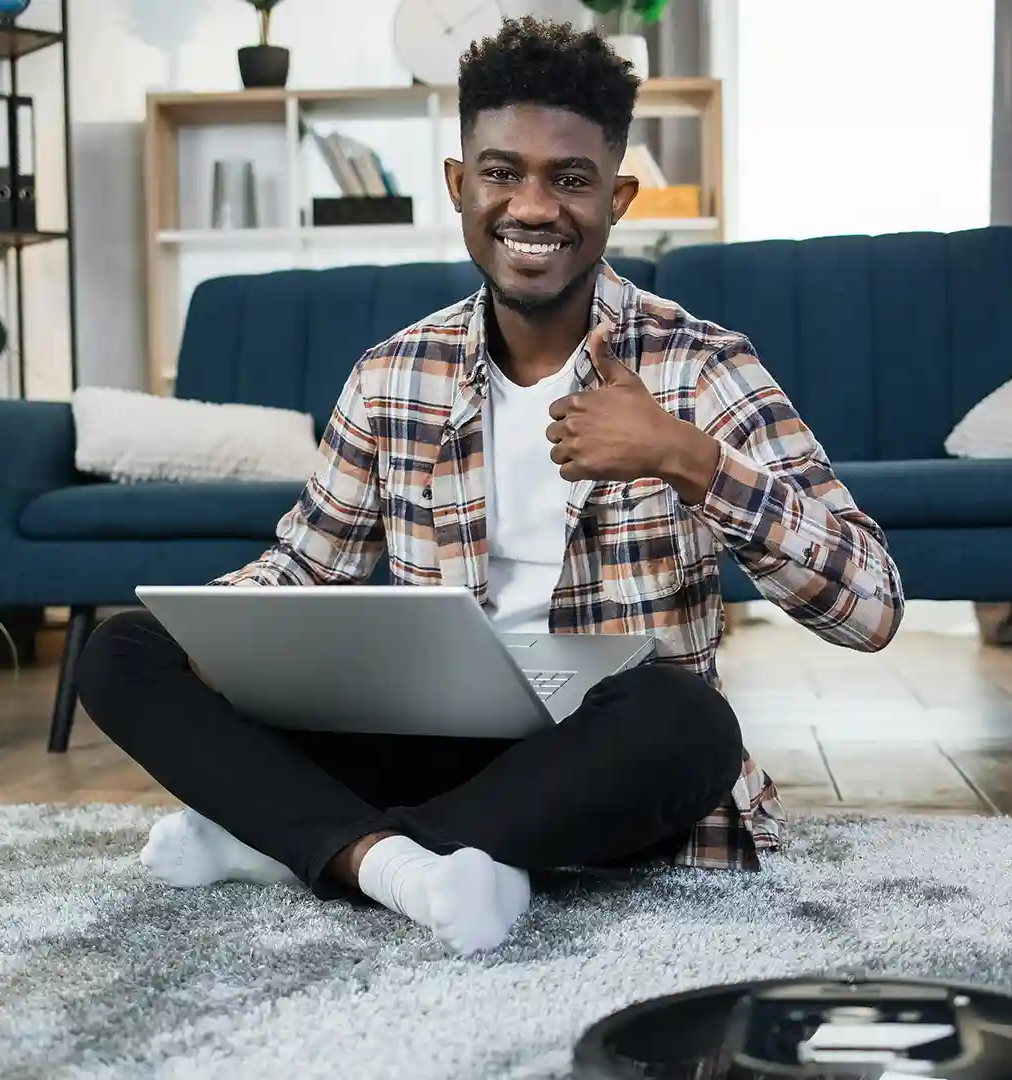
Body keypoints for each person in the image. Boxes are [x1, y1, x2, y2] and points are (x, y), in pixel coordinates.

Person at [75, 17, 903, 956]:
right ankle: (417, 866)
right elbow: (304, 567)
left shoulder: (703, 368)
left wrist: (688, 458)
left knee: (688, 721)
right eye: (502, 172)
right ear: (459, 185)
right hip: (425, 741)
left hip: (602, 757)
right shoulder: (393, 372)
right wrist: (203, 634)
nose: (533, 206)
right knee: (126, 650)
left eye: (571, 178)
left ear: (619, 197)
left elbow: (871, 608)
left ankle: (301, 842)